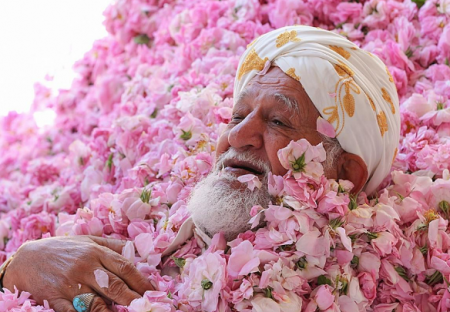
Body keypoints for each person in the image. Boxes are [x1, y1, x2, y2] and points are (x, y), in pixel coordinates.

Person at [1, 26, 400, 312]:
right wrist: (17, 268)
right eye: (238, 115)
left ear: (345, 175)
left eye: (278, 121)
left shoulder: (350, 290)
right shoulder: (146, 217)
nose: (238, 136)